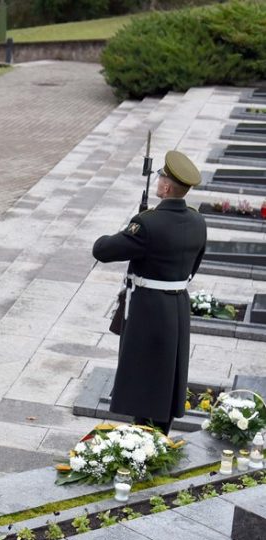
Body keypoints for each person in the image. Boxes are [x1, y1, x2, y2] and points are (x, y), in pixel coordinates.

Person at [93, 150, 206, 435]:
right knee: (167, 376)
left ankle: (145, 441)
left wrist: (136, 221)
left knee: (145, 375)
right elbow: (194, 266)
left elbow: (103, 250)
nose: (158, 180)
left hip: (148, 310)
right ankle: (158, 434)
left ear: (166, 187)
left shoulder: (147, 223)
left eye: (161, 177)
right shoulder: (197, 221)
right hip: (177, 306)